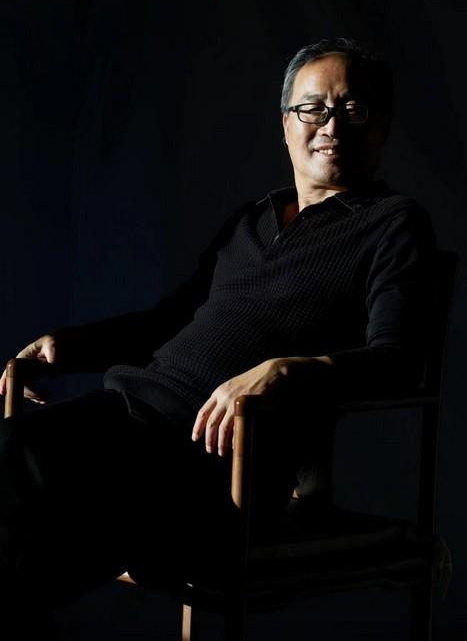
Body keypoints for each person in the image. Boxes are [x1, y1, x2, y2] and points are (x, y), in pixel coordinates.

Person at [0, 37, 436, 638]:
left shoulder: (393, 224)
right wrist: (70, 345)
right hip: (125, 417)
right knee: (26, 504)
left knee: (28, 491)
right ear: (286, 124)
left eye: (353, 109)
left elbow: (399, 359)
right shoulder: (251, 221)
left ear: (380, 124)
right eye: (313, 108)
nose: (331, 125)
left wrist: (291, 368)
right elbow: (169, 320)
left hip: (209, 456)